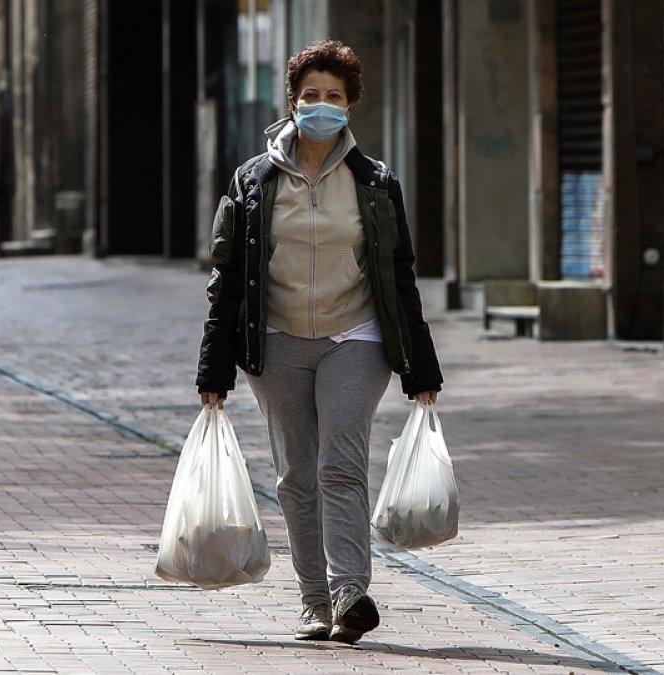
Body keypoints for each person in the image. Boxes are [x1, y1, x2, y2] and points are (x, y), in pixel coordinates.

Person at [196, 39, 444, 644]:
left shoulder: (376, 183)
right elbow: (226, 276)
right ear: (293, 101)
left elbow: (399, 276)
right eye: (311, 96)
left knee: (340, 463)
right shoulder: (253, 180)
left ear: (350, 107)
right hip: (276, 340)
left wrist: (421, 368)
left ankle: (350, 591)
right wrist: (214, 368)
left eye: (333, 96)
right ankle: (313, 603)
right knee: (295, 477)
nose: (321, 105)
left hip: (354, 337)